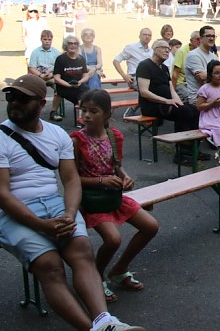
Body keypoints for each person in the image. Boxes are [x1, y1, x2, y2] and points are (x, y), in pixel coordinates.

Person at [0, 74, 144, 331]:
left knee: (82, 251)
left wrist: (69, 212)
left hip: (54, 204)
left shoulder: (56, 135)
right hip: (10, 212)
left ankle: (104, 321)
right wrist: (41, 225)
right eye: (11, 97)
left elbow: (71, 179)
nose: (15, 103)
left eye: (23, 99)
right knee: (50, 266)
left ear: (41, 104)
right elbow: (1, 195)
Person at [70, 89, 159, 304]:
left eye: (93, 111)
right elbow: (71, 179)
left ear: (107, 114)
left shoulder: (114, 136)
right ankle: (96, 276)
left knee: (150, 226)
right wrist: (101, 181)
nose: (87, 116)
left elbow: (116, 166)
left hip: (112, 195)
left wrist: (125, 178)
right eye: (84, 110)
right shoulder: (76, 140)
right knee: (113, 239)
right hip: (91, 200)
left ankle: (119, 269)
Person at [136, 40, 199, 156]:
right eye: (164, 48)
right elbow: (144, 92)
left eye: (168, 49)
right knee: (184, 112)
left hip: (166, 103)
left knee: (194, 110)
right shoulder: (144, 65)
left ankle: (193, 149)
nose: (167, 51)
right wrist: (167, 101)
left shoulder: (164, 68)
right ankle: (182, 153)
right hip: (151, 105)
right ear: (155, 49)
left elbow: (171, 90)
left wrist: (179, 103)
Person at [51, 36, 92, 122]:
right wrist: (69, 85)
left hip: (78, 85)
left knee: (86, 91)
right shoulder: (60, 59)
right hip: (64, 86)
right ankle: (82, 118)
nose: (73, 45)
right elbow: (57, 78)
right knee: (83, 94)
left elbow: (86, 76)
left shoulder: (81, 59)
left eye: (75, 43)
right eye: (70, 43)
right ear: (66, 45)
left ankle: (82, 117)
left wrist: (80, 82)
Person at [184, 26, 219, 102]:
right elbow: (202, 78)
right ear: (201, 39)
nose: (211, 38)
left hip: (213, 96)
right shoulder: (193, 55)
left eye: (213, 36)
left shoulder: (214, 57)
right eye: (208, 36)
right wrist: (217, 74)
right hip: (198, 99)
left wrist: (211, 75)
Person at [172, 31, 200, 100]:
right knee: (190, 97)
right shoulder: (181, 52)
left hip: (194, 83)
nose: (200, 41)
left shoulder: (200, 52)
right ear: (191, 40)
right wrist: (172, 92)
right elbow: (175, 74)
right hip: (181, 83)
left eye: (201, 39)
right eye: (197, 39)